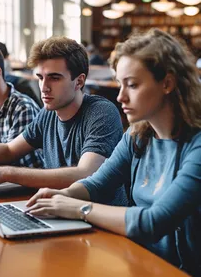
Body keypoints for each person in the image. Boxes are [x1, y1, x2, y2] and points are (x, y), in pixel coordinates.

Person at [25, 29, 201, 276]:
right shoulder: (137, 135)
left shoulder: (197, 146)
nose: (120, 96)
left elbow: (153, 222)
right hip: (136, 259)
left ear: (168, 83)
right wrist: (59, 196)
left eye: (133, 85)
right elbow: (97, 184)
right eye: (120, 84)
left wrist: (77, 209)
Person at [0, 36, 124, 194]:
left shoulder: (102, 112)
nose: (43, 87)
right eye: (40, 78)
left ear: (79, 81)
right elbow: (9, 149)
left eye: (54, 78)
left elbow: (85, 174)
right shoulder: (47, 113)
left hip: (96, 217)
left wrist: (4, 173)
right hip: (55, 209)